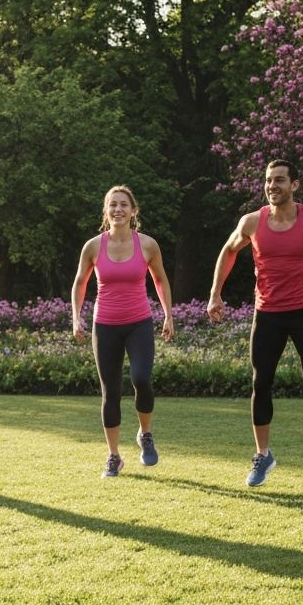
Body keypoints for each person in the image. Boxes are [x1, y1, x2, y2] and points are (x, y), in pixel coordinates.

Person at [208, 160, 303, 487]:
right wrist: (215, 293)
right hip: (267, 313)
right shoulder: (252, 222)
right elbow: (228, 251)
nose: (273, 186)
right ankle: (263, 454)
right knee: (261, 382)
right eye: (269, 180)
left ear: (294, 185)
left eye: (280, 180)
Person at [71, 185, 174, 477]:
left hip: (138, 323)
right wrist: (75, 317)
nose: (118, 209)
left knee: (141, 379)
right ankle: (114, 456)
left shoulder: (147, 245)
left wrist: (168, 315)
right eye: (112, 205)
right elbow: (80, 282)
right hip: (104, 326)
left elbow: (161, 280)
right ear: (106, 211)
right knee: (111, 392)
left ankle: (145, 433)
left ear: (133, 211)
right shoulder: (93, 246)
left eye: (123, 205)